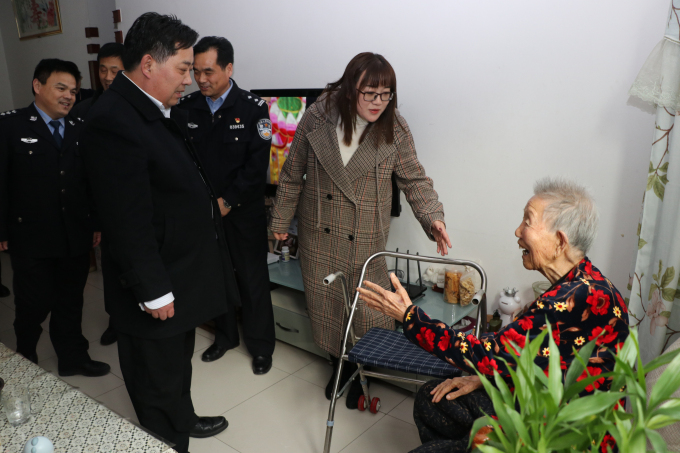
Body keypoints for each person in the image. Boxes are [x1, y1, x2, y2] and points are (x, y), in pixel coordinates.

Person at [357, 177, 630, 453]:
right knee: (432, 399)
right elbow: (538, 360)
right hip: (536, 403)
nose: (517, 231)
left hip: (558, 436)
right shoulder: (585, 283)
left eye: (527, 221)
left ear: (560, 241)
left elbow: (487, 353)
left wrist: (409, 316)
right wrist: (487, 377)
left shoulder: (576, 300)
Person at [80, 13, 240, 453]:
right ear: (149, 64)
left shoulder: (148, 107)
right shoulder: (114, 119)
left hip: (178, 273)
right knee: (155, 380)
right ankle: (168, 439)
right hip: (156, 285)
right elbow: (124, 218)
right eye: (184, 68)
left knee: (175, 367)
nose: (190, 80)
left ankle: (181, 418)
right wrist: (152, 290)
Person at [270, 52, 452, 408]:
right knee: (327, 308)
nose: (378, 102)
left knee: (366, 309)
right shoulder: (317, 116)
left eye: (386, 94)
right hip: (318, 232)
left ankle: (359, 368)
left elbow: (415, 180)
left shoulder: (395, 127)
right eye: (370, 93)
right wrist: (279, 220)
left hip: (364, 236)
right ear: (350, 88)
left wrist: (433, 218)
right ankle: (338, 366)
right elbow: (292, 173)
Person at [0, 59, 109, 377]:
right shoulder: (11, 126)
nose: (69, 96)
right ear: (38, 86)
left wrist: (95, 223)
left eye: (73, 91)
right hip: (31, 237)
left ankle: (73, 357)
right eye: (61, 88)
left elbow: (89, 181)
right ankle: (25, 358)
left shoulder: (79, 127)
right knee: (32, 303)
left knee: (70, 301)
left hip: (74, 233)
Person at [177, 36, 275, 374]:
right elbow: (183, 162)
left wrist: (228, 201)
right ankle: (225, 337)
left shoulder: (253, 108)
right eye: (196, 71)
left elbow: (256, 166)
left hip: (243, 212)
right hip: (204, 212)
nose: (200, 79)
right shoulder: (186, 107)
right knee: (215, 276)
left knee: (252, 279)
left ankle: (261, 347)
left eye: (209, 71)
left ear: (228, 69)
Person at [71, 42, 126, 347]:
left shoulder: (137, 107)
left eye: (114, 70)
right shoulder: (84, 111)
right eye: (102, 70)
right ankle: (116, 320)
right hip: (101, 205)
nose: (107, 77)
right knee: (111, 267)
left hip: (132, 202)